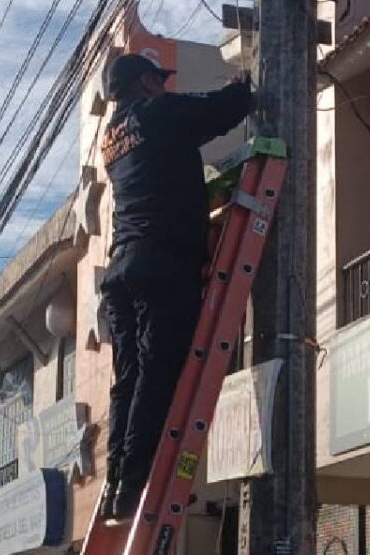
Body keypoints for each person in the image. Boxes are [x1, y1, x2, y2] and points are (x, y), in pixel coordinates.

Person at [97, 53, 253, 523]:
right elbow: (221, 109)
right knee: (157, 369)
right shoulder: (156, 113)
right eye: (159, 80)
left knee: (127, 380)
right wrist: (243, 83)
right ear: (145, 82)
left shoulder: (111, 138)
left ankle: (115, 484)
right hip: (161, 261)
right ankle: (136, 482)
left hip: (121, 269)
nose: (164, 87)